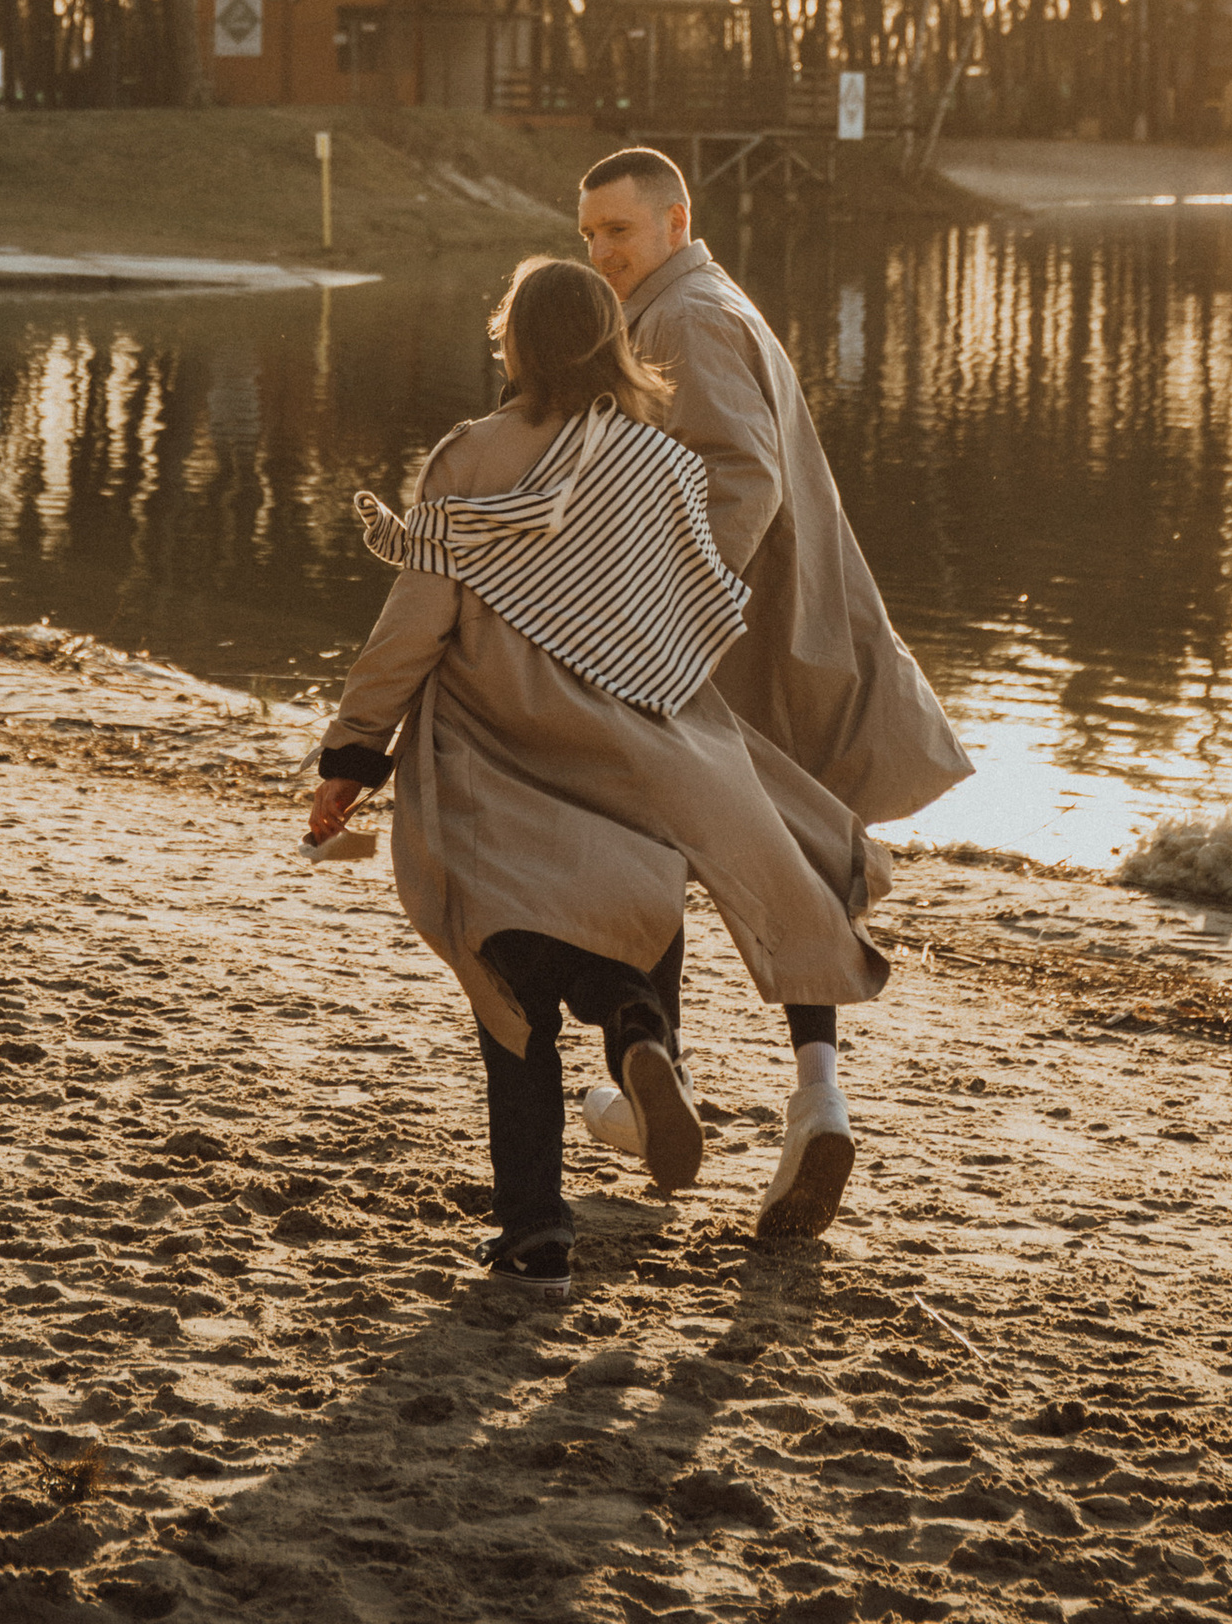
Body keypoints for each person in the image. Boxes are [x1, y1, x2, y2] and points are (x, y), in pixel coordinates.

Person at [306, 255, 886, 1304]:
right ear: (613, 344)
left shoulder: (470, 456)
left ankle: (535, 1236)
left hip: (492, 747)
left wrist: (354, 751)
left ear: (517, 345)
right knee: (616, 932)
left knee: (508, 985)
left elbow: (416, 621)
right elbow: (680, 619)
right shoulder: (659, 466)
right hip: (625, 751)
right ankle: (634, 1039)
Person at [575, 145, 970, 1239]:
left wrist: (673, 621)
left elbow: (740, 477)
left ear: (672, 219)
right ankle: (808, 1099)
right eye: (589, 236)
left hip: (732, 646)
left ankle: (660, 1075)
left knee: (640, 839)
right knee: (779, 862)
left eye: (617, 230)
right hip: (781, 631)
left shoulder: (684, 319)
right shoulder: (697, 301)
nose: (602, 253)